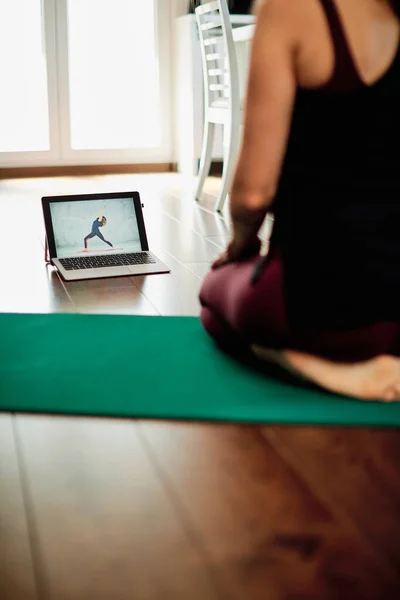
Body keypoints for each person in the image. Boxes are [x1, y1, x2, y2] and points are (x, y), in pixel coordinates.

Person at [199, 0, 400, 402]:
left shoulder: (289, 8)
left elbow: (254, 194)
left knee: (212, 297)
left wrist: (241, 248)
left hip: (324, 306)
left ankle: (317, 363)